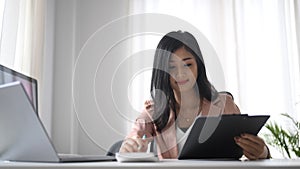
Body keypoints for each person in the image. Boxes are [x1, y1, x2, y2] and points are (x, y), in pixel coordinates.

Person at [119, 30, 270, 160]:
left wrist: (262, 152)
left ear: (198, 65)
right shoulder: (154, 111)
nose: (180, 73)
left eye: (188, 64)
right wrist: (130, 148)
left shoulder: (224, 105)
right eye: (171, 67)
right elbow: (135, 136)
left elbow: (253, 147)